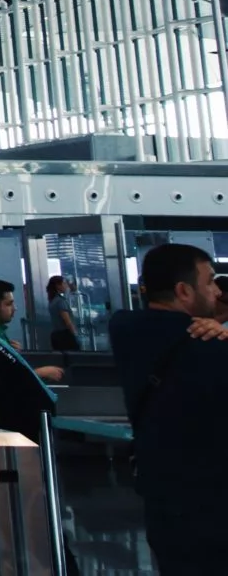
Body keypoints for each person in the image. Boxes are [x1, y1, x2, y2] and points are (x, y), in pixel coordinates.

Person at [110, 243, 228, 576]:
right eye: (211, 281)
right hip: (214, 509)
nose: (218, 291)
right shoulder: (211, 351)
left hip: (163, 500)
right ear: (183, 290)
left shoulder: (126, 329)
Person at [0, 278, 64, 381]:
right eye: (9, 304)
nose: (14, 308)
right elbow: (3, 378)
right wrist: (40, 373)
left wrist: (9, 351)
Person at [46, 275, 79, 351]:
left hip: (56, 336)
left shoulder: (52, 301)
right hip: (65, 336)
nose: (66, 286)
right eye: (64, 283)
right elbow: (67, 321)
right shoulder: (61, 301)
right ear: (58, 286)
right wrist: (74, 334)